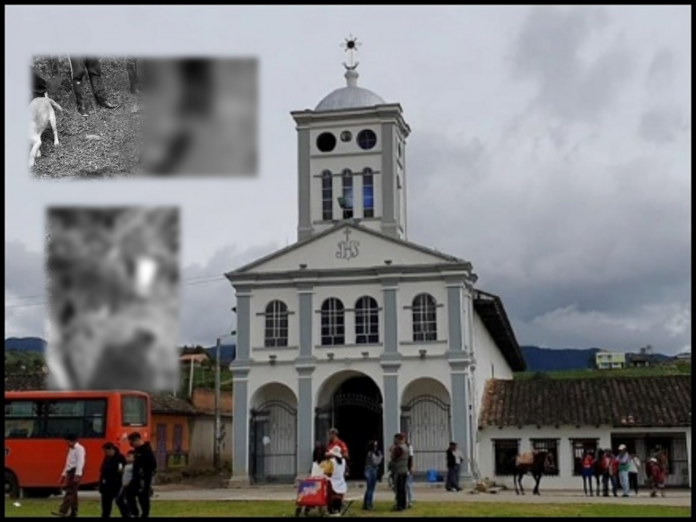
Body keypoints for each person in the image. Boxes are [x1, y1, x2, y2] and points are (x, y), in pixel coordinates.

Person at [52, 433, 86, 518]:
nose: (67, 444)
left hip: (75, 471)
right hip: (70, 471)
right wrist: (63, 475)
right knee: (73, 493)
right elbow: (68, 463)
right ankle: (74, 512)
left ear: (73, 441)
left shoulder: (79, 449)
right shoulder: (71, 449)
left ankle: (63, 511)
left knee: (69, 492)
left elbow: (80, 462)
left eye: (68, 442)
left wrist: (77, 474)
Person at [128, 432, 157, 518]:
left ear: (137, 440)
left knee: (143, 497)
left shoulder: (146, 450)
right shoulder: (137, 450)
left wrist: (144, 473)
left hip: (143, 478)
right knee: (129, 494)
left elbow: (152, 464)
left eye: (132, 443)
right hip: (136, 477)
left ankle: (145, 514)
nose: (131, 445)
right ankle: (135, 513)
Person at [98, 442, 126, 517]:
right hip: (106, 485)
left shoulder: (120, 458)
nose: (105, 453)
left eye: (106, 451)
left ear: (111, 449)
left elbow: (120, 470)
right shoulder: (107, 458)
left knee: (120, 503)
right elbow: (103, 471)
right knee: (106, 506)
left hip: (116, 484)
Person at [324, 446, 348, 516]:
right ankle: (338, 509)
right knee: (339, 496)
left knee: (330, 496)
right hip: (341, 482)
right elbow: (344, 471)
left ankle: (331, 510)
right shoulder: (343, 461)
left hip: (332, 483)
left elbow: (327, 472)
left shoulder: (332, 462)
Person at [389, 433, 409, 512]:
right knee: (403, 489)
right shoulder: (406, 447)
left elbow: (394, 458)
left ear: (398, 439)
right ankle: (403, 504)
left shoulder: (398, 448)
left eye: (395, 439)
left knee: (398, 489)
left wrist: (391, 452)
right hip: (404, 470)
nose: (394, 441)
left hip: (398, 470)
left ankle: (399, 505)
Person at [116, 450, 139, 517]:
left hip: (128, 486)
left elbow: (134, 476)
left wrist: (129, 483)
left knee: (127, 500)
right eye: (127, 456)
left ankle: (133, 513)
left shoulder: (134, 466)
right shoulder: (126, 465)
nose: (127, 458)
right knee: (119, 500)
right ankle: (126, 514)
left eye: (129, 456)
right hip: (123, 485)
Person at [362, 440, 382, 511]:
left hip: (368, 470)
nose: (376, 447)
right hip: (372, 470)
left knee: (369, 488)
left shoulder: (369, 453)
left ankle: (365, 504)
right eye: (375, 446)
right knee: (371, 489)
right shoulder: (372, 454)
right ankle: (369, 504)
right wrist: (380, 456)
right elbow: (376, 463)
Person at [406, 438, 414, 508]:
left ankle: (410, 500)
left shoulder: (409, 447)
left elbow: (411, 457)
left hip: (407, 468)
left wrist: (411, 467)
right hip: (402, 468)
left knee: (408, 485)